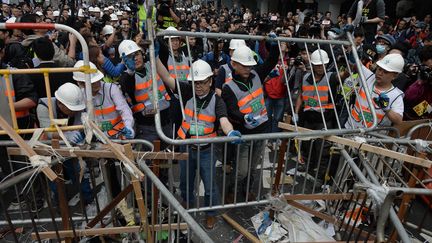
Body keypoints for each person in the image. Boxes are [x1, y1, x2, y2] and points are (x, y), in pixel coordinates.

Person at [159, 59, 242, 229]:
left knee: (210, 186)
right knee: (185, 182)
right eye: (195, 83)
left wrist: (230, 131)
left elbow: (224, 120)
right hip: (187, 147)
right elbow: (167, 77)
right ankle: (187, 203)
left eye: (202, 82)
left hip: (207, 150)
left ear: (211, 81)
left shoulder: (217, 100)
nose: (198, 87)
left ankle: (211, 213)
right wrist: (154, 56)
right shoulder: (188, 92)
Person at [221, 42, 279, 203]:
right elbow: (231, 109)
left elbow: (272, 61)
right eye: (244, 65)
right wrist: (243, 117)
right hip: (244, 134)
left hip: (262, 130)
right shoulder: (228, 87)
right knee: (242, 170)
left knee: (253, 167)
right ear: (234, 64)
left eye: (249, 65)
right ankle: (232, 189)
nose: (248, 69)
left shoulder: (257, 74)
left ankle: (247, 190)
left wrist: (273, 46)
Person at [36, 83, 92, 205]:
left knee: (79, 171)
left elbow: (81, 123)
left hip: (71, 146)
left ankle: (88, 200)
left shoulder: (77, 104)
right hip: (51, 147)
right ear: (60, 103)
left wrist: (77, 132)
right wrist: (66, 136)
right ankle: (60, 203)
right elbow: (48, 132)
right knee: (55, 177)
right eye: (70, 109)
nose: (73, 111)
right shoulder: (44, 106)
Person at [294, 49, 339, 178]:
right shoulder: (306, 77)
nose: (320, 67)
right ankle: (307, 166)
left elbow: (343, 75)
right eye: (318, 65)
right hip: (308, 118)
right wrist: (296, 112)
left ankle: (320, 174)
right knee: (307, 145)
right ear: (312, 65)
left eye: (323, 65)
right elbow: (301, 96)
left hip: (324, 120)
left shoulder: (331, 77)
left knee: (322, 149)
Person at [118, 39, 172, 145]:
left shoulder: (152, 65)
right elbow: (127, 86)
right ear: (124, 61)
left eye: (136, 54)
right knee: (149, 157)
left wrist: (155, 37)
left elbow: (164, 54)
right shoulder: (126, 77)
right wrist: (131, 71)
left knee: (167, 156)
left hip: (166, 122)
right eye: (130, 57)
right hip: (147, 127)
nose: (135, 58)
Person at [73, 60, 134, 139]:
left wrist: (128, 126)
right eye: (92, 82)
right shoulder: (81, 95)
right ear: (81, 83)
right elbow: (79, 120)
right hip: (98, 139)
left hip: (120, 135)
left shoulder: (111, 89)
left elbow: (125, 110)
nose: (97, 83)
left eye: (97, 80)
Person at [346, 53, 405, 129]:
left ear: (395, 76)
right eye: (379, 69)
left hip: (371, 138)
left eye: (385, 72)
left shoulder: (395, 96)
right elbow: (354, 61)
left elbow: (398, 121)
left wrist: (387, 109)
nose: (380, 73)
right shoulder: (367, 76)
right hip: (349, 129)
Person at [404, 46, 432, 120]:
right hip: (417, 118)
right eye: (427, 68)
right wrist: (420, 82)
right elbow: (408, 97)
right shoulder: (422, 77)